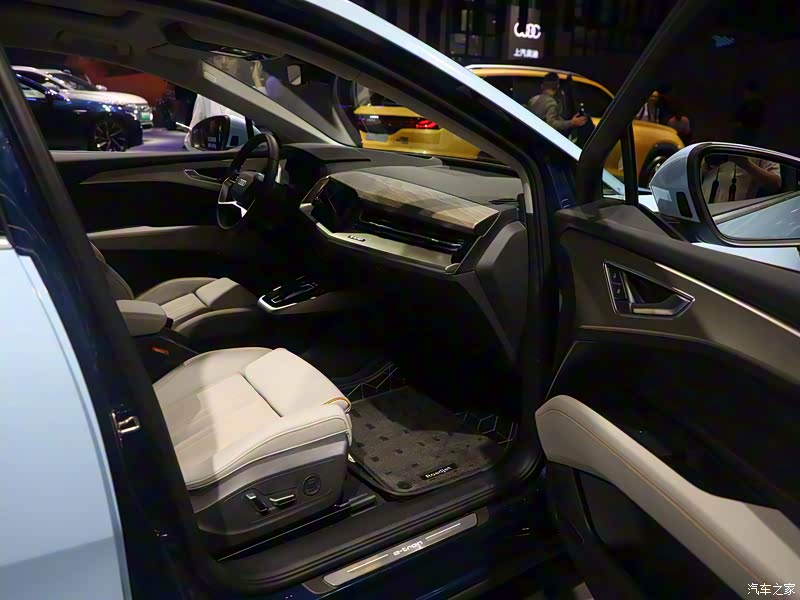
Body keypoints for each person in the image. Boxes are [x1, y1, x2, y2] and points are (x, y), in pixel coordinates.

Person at [527, 72, 588, 137]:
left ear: (542, 86)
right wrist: (571, 123)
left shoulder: (532, 100)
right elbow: (552, 123)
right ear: (557, 86)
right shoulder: (551, 103)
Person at [701, 155, 781, 203]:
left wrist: (745, 163)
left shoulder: (761, 145)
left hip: (736, 213)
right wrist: (708, 164)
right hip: (703, 207)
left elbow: (776, 183)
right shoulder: (714, 139)